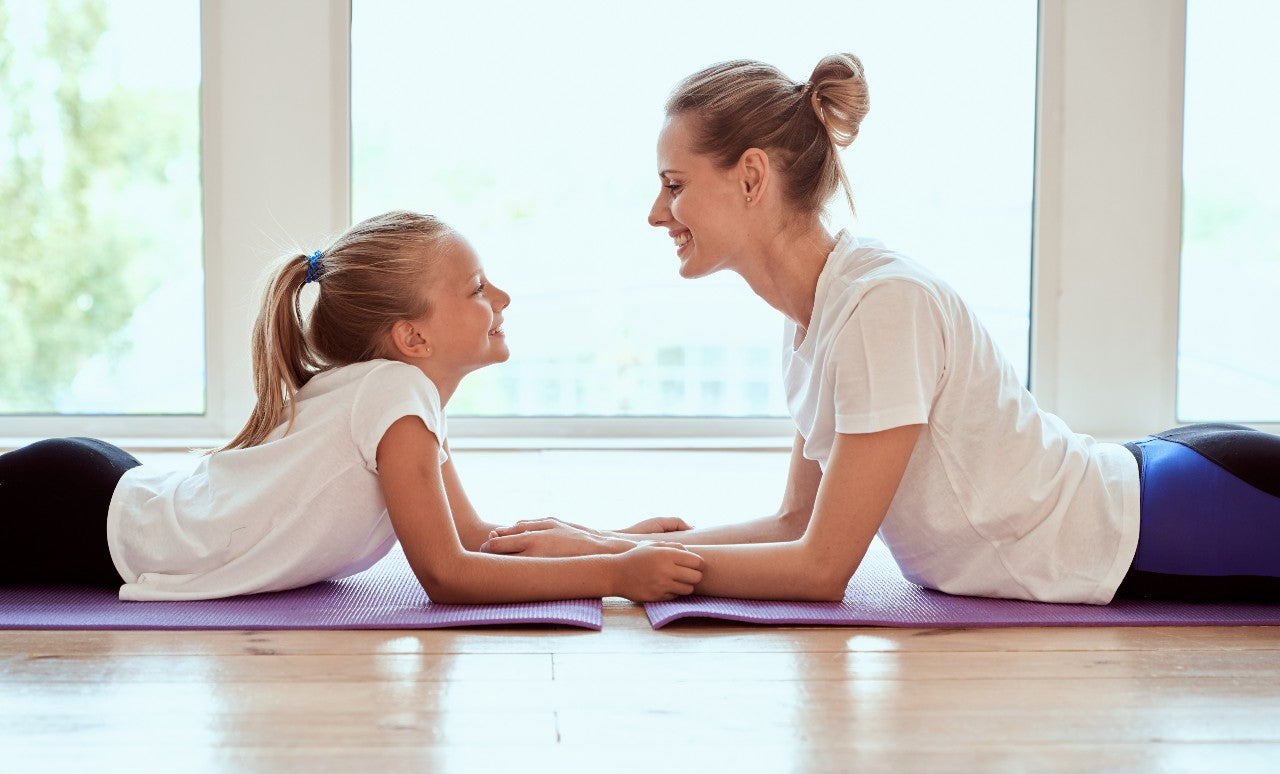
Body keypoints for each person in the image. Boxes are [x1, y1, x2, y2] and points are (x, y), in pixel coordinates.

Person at [482, 55, 1280, 604]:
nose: (658, 213)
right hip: (1162, 484)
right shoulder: (813, 317)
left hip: (1173, 520)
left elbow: (822, 568)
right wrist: (605, 542)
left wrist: (604, 566)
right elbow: (797, 526)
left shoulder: (878, 308)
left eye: (674, 185)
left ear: (751, 176)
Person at [0, 211, 703, 603]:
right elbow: (448, 576)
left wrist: (617, 542)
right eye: (478, 288)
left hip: (107, 492)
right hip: (85, 514)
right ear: (412, 336)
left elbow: (478, 539)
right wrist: (615, 576)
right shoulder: (394, 395)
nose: (504, 301)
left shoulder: (401, 397)